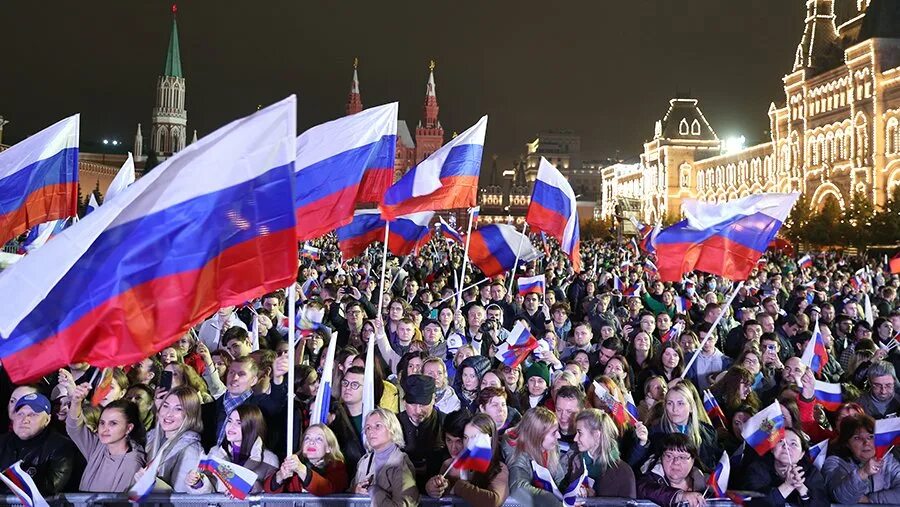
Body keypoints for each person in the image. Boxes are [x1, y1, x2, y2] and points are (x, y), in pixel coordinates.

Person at [66, 383, 146, 492]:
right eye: (102, 423)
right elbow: (74, 429)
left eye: (113, 423)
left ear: (129, 428)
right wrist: (76, 402)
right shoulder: (98, 446)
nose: (105, 428)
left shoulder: (133, 465)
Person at [186, 404, 278, 494]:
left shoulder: (269, 459)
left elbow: (271, 496)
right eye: (230, 421)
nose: (231, 426)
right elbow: (209, 491)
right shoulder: (216, 453)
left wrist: (249, 489)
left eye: (238, 423)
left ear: (252, 427)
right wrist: (198, 483)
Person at [425, 413, 510, 507]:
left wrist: (458, 486)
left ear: (489, 439)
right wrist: (434, 488)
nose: (469, 443)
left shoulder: (498, 468)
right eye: (465, 437)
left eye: (475, 437)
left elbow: (494, 501)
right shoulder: (449, 465)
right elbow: (441, 494)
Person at [0, 392, 76, 496]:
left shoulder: (61, 446)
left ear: (47, 420)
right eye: (20, 414)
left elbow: (51, 487)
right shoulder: (2, 442)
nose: (25, 420)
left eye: (33, 414)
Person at [136, 386, 204, 493]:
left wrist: (151, 482)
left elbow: (182, 499)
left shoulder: (191, 450)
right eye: (166, 406)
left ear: (190, 415)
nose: (168, 414)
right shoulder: (152, 438)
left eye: (178, 409)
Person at [739, 427, 828, 506]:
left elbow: (822, 503)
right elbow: (752, 502)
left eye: (793, 444)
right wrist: (788, 486)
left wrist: (801, 487)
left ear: (802, 454)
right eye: (780, 441)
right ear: (772, 449)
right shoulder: (757, 469)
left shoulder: (810, 472)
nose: (786, 446)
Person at [822, 413, 900, 504]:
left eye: (870, 437)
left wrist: (870, 499)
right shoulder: (834, 463)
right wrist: (863, 473)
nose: (866, 442)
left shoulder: (888, 460)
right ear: (847, 443)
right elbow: (840, 497)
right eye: (857, 438)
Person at [351, 408, 419, 506]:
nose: (371, 431)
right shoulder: (364, 462)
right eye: (368, 428)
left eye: (377, 426)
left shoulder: (400, 463)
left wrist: (373, 491)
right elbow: (347, 496)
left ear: (392, 429)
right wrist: (355, 490)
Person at [505, 407, 569, 507]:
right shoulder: (517, 452)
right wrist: (554, 503)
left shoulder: (552, 447)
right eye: (553, 433)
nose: (558, 436)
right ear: (537, 435)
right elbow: (518, 488)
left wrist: (575, 491)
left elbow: (559, 482)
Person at [567, 408, 636, 498]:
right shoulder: (577, 462)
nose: (575, 439)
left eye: (580, 433)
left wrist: (593, 499)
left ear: (597, 435)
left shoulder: (623, 472)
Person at [264, 424, 348, 495]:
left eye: (319, 439)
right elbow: (268, 490)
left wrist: (301, 469)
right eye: (307, 438)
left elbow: (328, 489)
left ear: (328, 448)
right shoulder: (292, 464)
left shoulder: (337, 467)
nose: (311, 442)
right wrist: (280, 476)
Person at [397, 374, 446, 490]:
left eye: (423, 404)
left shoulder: (445, 423)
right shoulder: (393, 424)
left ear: (434, 399)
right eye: (412, 404)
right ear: (404, 402)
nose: (418, 410)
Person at [636, 433, 709, 507]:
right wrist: (680, 496)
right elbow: (644, 489)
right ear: (661, 458)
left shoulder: (708, 483)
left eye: (682, 457)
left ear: (693, 460)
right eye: (669, 456)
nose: (676, 462)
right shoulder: (649, 479)